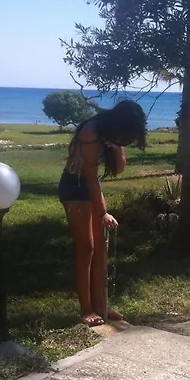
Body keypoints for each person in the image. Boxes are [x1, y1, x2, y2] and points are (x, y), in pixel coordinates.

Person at [57, 99, 147, 326]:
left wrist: (117, 148)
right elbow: (89, 177)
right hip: (75, 186)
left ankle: (101, 305)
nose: (127, 138)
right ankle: (86, 309)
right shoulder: (91, 132)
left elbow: (119, 169)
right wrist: (102, 213)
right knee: (86, 247)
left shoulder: (113, 134)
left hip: (91, 186)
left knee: (100, 248)